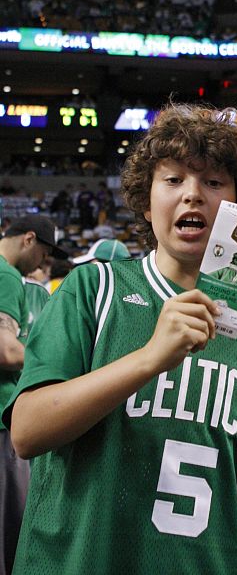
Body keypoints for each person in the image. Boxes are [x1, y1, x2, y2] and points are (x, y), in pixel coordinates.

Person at [3, 103, 237, 575]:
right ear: (146, 201)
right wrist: (149, 359)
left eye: (213, 181)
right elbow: (27, 431)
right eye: (174, 180)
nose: (193, 195)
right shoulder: (94, 289)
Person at [0, 215, 66, 575]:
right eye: (43, 250)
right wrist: (56, 358)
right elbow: (6, 351)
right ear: (28, 239)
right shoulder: (8, 275)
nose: (43, 261)